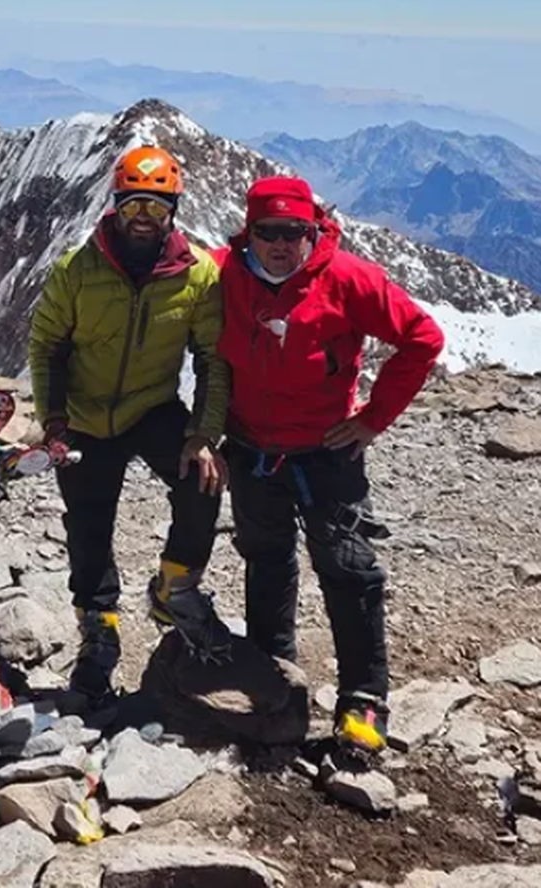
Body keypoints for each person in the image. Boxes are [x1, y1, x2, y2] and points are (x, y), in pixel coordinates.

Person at [216, 176, 445, 756]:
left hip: (327, 451)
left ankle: (363, 700)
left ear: (312, 230)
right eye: (268, 231)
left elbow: (422, 338)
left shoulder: (347, 278)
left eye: (294, 232)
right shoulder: (222, 274)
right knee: (266, 562)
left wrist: (373, 419)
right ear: (249, 232)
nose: (281, 244)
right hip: (253, 450)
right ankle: (274, 683)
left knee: (348, 570)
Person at [27, 145, 234, 704]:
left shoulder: (197, 275)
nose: (144, 218)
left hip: (151, 407)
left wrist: (204, 436)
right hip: (84, 415)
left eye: (156, 207)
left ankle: (175, 587)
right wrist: (54, 419)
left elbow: (213, 359)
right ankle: (99, 628)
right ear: (115, 205)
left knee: (202, 480)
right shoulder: (77, 269)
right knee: (88, 523)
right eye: (133, 205)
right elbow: (47, 345)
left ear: (175, 210)